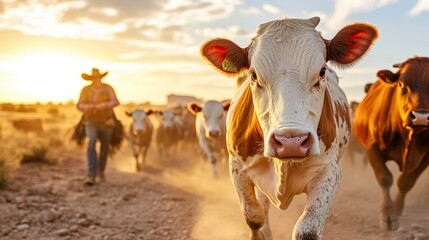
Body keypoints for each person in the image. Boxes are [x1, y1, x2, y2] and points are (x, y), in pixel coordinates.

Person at [77, 68, 120, 186]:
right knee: (91, 143)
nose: (97, 80)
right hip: (90, 122)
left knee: (104, 147)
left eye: (98, 78)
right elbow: (79, 105)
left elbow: (116, 102)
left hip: (107, 123)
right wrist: (87, 107)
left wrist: (104, 105)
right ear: (91, 79)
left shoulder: (108, 88)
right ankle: (91, 174)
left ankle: (101, 171)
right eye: (94, 78)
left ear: (101, 78)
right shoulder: (85, 90)